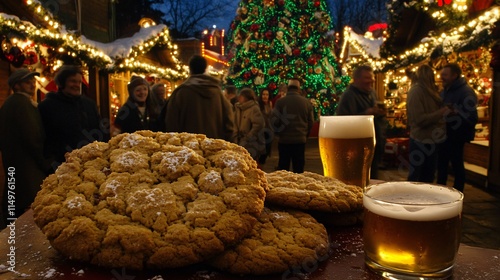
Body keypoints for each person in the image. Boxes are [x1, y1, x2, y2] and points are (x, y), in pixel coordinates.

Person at [0, 68, 51, 227]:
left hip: (16, 165)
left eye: (32, 81)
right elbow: (33, 135)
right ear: (16, 86)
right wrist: (44, 163)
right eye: (26, 82)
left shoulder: (11, 103)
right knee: (27, 209)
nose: (32, 84)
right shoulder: (21, 104)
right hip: (28, 167)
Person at [38, 65, 107, 170]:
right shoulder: (47, 106)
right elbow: (43, 137)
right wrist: (50, 162)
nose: (77, 85)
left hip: (90, 164)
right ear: (61, 83)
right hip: (61, 165)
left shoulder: (89, 104)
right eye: (73, 81)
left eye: (79, 82)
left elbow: (100, 130)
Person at [165, 55, 235, 141]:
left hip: (188, 148)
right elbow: (228, 120)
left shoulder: (181, 92)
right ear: (205, 68)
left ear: (190, 69)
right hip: (214, 147)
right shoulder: (217, 92)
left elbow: (172, 123)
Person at [336, 65, 387, 179]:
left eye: (372, 77)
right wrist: (366, 113)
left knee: (372, 176)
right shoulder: (349, 95)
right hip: (357, 149)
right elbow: (343, 121)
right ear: (357, 79)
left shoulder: (371, 92)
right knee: (359, 178)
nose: (372, 80)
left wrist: (379, 113)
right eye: (367, 78)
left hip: (373, 143)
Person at [406, 65, 451, 183]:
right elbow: (419, 119)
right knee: (417, 177)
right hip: (421, 140)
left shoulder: (431, 91)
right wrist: (441, 113)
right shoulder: (417, 91)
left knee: (428, 176)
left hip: (431, 139)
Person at [437, 63, 478, 192]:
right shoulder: (445, 90)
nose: (441, 77)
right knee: (442, 165)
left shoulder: (466, 92)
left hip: (457, 135)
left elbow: (472, 118)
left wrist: (456, 112)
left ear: (454, 75)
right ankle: (440, 192)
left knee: (456, 165)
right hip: (445, 134)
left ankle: (458, 194)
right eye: (441, 74)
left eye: (445, 74)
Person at [271, 79, 314, 173]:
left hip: (284, 140)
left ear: (287, 88)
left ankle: (283, 186)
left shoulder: (280, 102)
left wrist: (278, 134)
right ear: (299, 89)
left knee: (283, 168)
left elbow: (274, 121)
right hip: (300, 140)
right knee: (298, 168)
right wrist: (305, 135)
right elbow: (310, 122)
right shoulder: (306, 103)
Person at [233, 88, 265, 160]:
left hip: (250, 142)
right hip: (238, 140)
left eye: (241, 96)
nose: (239, 98)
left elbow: (258, 124)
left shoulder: (254, 108)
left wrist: (248, 137)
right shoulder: (238, 107)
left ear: (246, 97)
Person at [257, 88, 274, 165]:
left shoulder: (270, 104)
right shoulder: (258, 105)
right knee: (261, 151)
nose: (265, 96)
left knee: (267, 150)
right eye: (263, 94)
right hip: (261, 130)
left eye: (267, 94)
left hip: (268, 130)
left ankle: (261, 165)